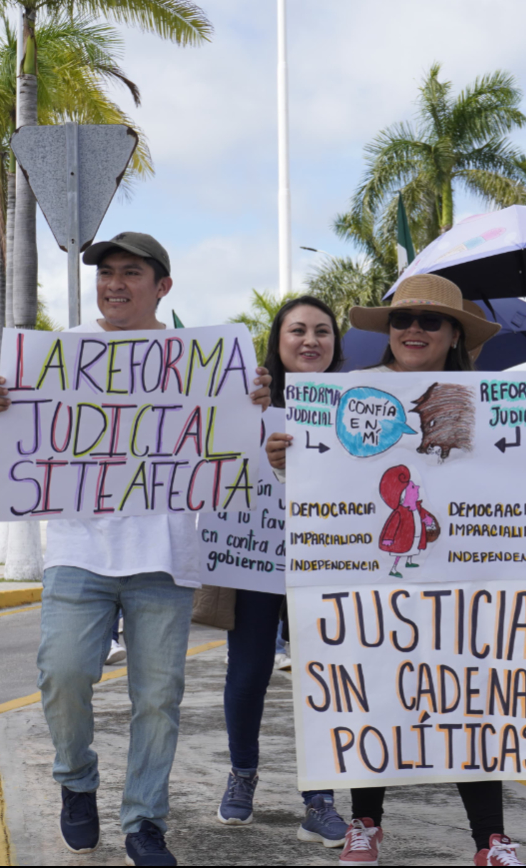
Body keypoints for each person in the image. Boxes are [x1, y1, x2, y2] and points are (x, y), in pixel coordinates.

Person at [0, 232, 271, 866]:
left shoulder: (202, 362)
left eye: (131, 273)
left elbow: (240, 448)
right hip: (77, 550)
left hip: (164, 558)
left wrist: (253, 405)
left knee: (159, 697)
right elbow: (26, 431)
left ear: (162, 286)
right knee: (62, 674)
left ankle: (145, 821)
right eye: (106, 273)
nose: (114, 283)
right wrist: (1, 405)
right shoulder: (61, 356)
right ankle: (76, 779)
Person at [295, 274, 522, 867]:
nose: (414, 330)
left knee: (469, 697)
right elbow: (317, 478)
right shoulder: (351, 392)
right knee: (374, 694)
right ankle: (364, 824)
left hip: (462, 583)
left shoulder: (487, 397)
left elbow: (511, 479)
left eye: (430, 321)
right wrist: (283, 457)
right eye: (402, 320)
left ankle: (490, 840)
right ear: (388, 331)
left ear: (454, 334)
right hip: (374, 580)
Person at [216, 295, 352, 849]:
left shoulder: (359, 401)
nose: (311, 340)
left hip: (329, 561)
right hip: (258, 556)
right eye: (298, 330)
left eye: (323, 331)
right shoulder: (248, 398)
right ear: (278, 339)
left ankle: (319, 798)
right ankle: (243, 773)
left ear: (335, 344)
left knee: (325, 678)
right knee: (247, 674)